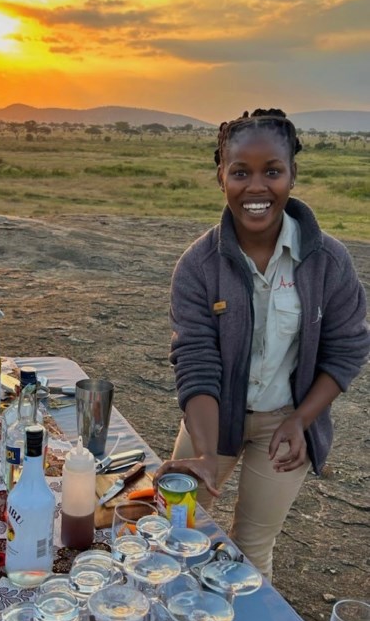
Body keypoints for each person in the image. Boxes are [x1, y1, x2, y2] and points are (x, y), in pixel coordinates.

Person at [154, 108, 369, 582]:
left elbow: (347, 349)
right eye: (240, 172)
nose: (256, 187)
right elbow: (196, 359)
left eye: (272, 171)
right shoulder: (198, 265)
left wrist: (300, 420)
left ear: (292, 175)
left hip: (285, 426)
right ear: (221, 177)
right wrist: (206, 453)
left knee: (251, 551)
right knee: (176, 531)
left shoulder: (329, 263)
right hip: (213, 418)